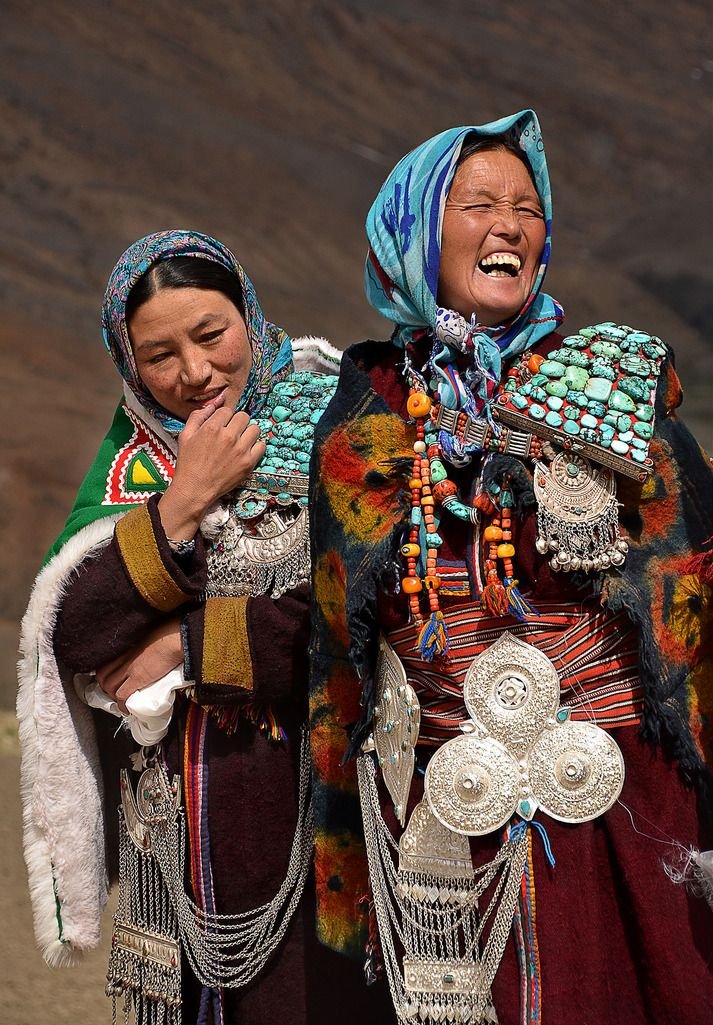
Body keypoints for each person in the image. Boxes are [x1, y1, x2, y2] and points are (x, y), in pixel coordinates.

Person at [309, 110, 713, 1025]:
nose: (509, 225)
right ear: (412, 234)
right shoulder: (364, 414)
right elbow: (335, 647)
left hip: (612, 796)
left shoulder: (609, 391)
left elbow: (688, 581)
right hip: (438, 807)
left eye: (527, 207)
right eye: (478, 203)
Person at [17, 229, 392, 1024]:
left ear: (249, 315)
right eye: (158, 355)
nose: (194, 373)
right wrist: (183, 501)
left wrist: (177, 647)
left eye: (211, 335)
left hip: (315, 816)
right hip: (177, 845)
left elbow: (345, 613)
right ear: (128, 364)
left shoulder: (338, 411)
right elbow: (73, 631)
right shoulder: (137, 460)